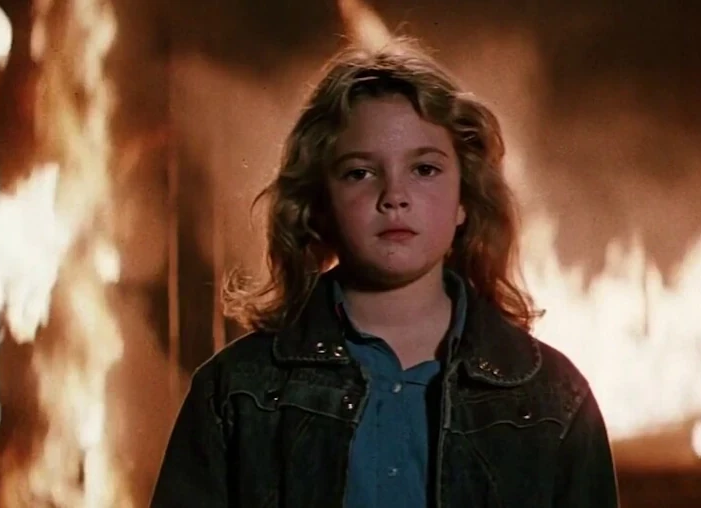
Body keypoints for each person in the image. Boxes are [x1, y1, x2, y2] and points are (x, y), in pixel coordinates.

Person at [151, 37, 619, 508]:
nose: (394, 196)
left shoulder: (550, 397)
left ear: (464, 199)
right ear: (319, 204)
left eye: (425, 169)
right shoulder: (237, 392)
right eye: (360, 172)